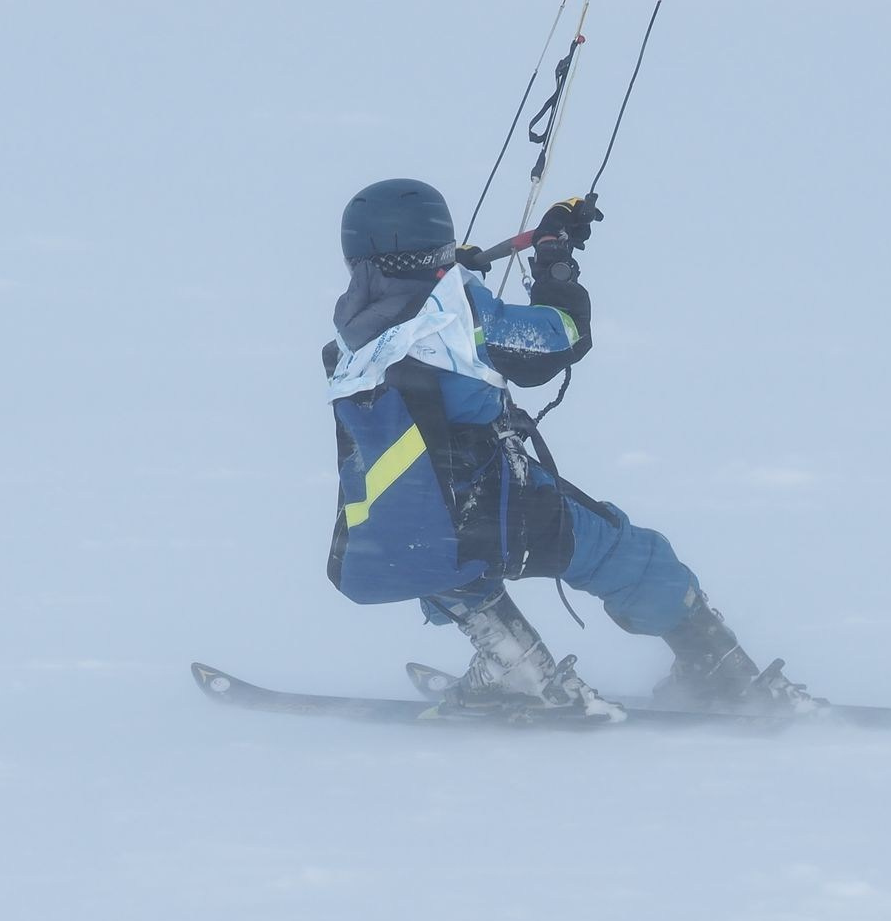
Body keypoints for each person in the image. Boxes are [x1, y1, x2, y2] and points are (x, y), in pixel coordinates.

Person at [322, 177, 817, 719]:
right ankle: (718, 667)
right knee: (623, 553)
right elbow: (563, 334)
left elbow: (412, 306)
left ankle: (515, 661)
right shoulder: (467, 321)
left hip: (413, 520)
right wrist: (555, 261)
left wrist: (446, 273)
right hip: (503, 508)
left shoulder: (351, 331)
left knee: (443, 563)